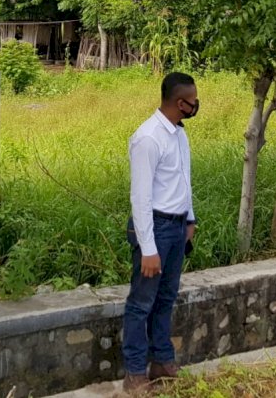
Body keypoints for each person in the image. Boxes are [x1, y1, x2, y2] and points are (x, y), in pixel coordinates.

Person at [122, 72, 198, 392]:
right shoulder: (148, 138)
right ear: (179, 103)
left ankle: (162, 360)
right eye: (193, 101)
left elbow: (183, 180)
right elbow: (140, 198)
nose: (196, 105)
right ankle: (135, 372)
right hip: (155, 228)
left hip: (177, 227)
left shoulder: (178, 134)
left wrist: (190, 220)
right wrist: (148, 247)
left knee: (166, 298)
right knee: (142, 303)